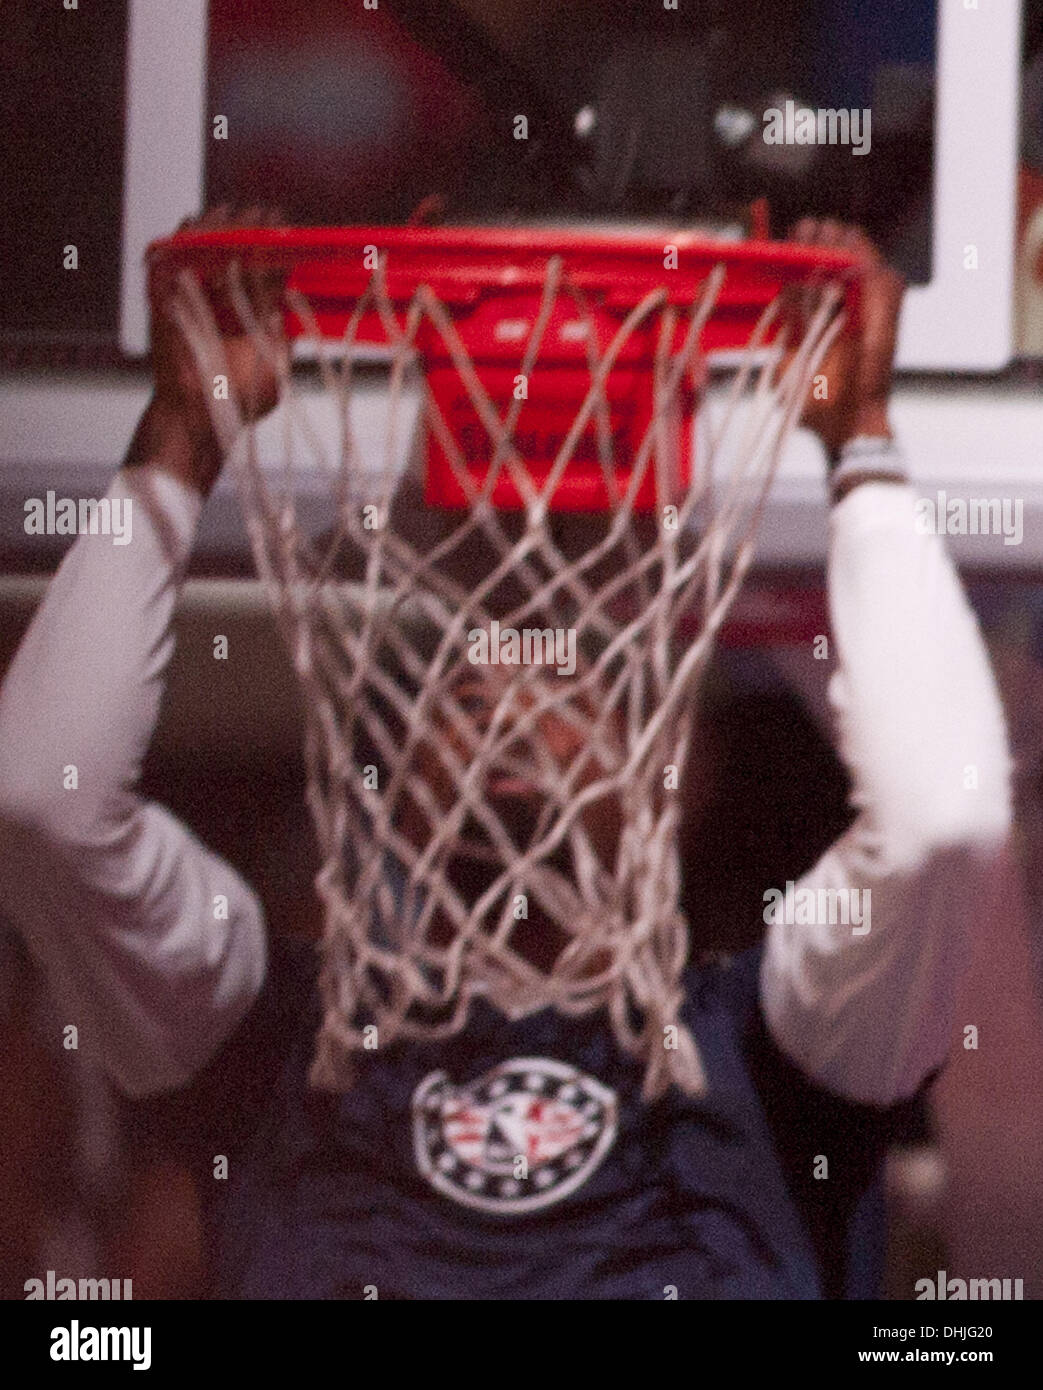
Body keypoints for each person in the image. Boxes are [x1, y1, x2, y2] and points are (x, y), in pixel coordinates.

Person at [0, 214, 1013, 1299]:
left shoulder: (779, 1045)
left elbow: (942, 820)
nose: (508, 711)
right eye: (466, 693)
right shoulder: (267, 1038)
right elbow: (40, 797)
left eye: (565, 690)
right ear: (390, 785)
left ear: (668, 775)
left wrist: (858, 441)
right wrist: (180, 439)